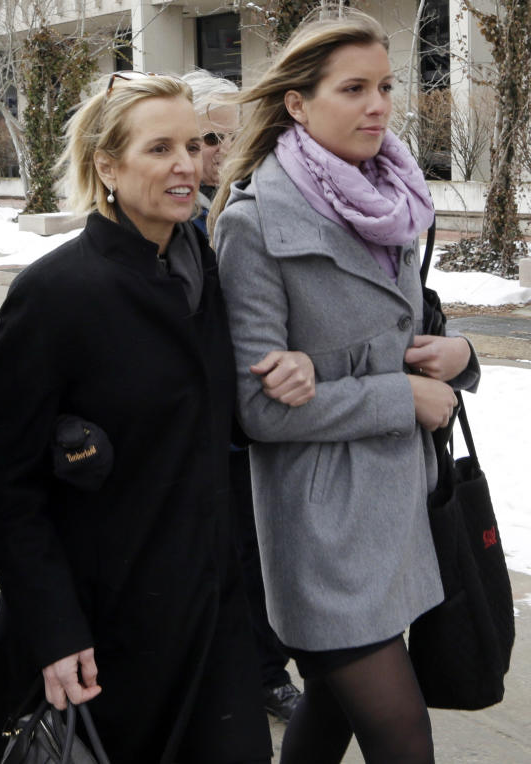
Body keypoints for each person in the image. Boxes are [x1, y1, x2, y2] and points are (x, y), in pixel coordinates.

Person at [0, 72, 316, 764]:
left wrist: (298, 368)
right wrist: (54, 629)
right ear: (108, 165)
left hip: (211, 619)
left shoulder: (210, 276)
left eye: (197, 144)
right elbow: (7, 485)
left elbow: (231, 420)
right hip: (103, 631)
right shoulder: (54, 293)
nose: (188, 164)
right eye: (160, 149)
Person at [210, 10, 480, 764]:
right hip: (321, 523)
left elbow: (408, 324)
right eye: (353, 88)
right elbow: (259, 407)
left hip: (399, 509)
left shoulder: (390, 197)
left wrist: (455, 352)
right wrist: (401, 399)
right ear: (298, 102)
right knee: (402, 734)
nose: (378, 106)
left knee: (330, 710)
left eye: (386, 87)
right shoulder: (255, 225)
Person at [183, 67, 303, 723]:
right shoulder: (184, 221)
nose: (218, 154)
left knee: (259, 557)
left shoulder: (252, 209)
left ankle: (262, 667)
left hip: (255, 426)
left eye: (230, 137)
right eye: (205, 138)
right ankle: (253, 670)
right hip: (211, 431)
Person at [181, 70, 239, 238]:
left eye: (235, 137)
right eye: (213, 138)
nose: (227, 149)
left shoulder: (249, 193)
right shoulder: (170, 211)